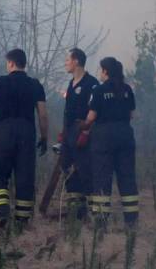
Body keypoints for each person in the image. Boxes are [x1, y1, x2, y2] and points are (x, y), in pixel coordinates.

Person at [0, 48, 48, 230]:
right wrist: (44, 137)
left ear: (11, 63)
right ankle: (21, 222)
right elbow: (42, 115)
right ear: (24, 63)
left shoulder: (1, 83)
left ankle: (2, 214)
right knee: (25, 177)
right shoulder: (35, 85)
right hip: (27, 131)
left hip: (5, 131)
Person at [81, 57, 139, 228]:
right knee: (127, 178)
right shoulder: (127, 89)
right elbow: (130, 115)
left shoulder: (99, 90)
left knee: (102, 178)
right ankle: (131, 221)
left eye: (101, 70)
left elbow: (91, 117)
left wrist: (82, 127)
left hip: (104, 138)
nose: (99, 73)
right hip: (125, 136)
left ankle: (100, 222)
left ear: (105, 71)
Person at [60, 48, 99, 220]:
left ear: (76, 61)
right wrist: (64, 131)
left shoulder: (92, 83)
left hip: (83, 133)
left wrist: (87, 131)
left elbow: (95, 111)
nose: (65, 63)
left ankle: (94, 212)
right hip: (69, 134)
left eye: (67, 59)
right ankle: (76, 212)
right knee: (68, 169)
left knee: (85, 170)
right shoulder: (71, 83)